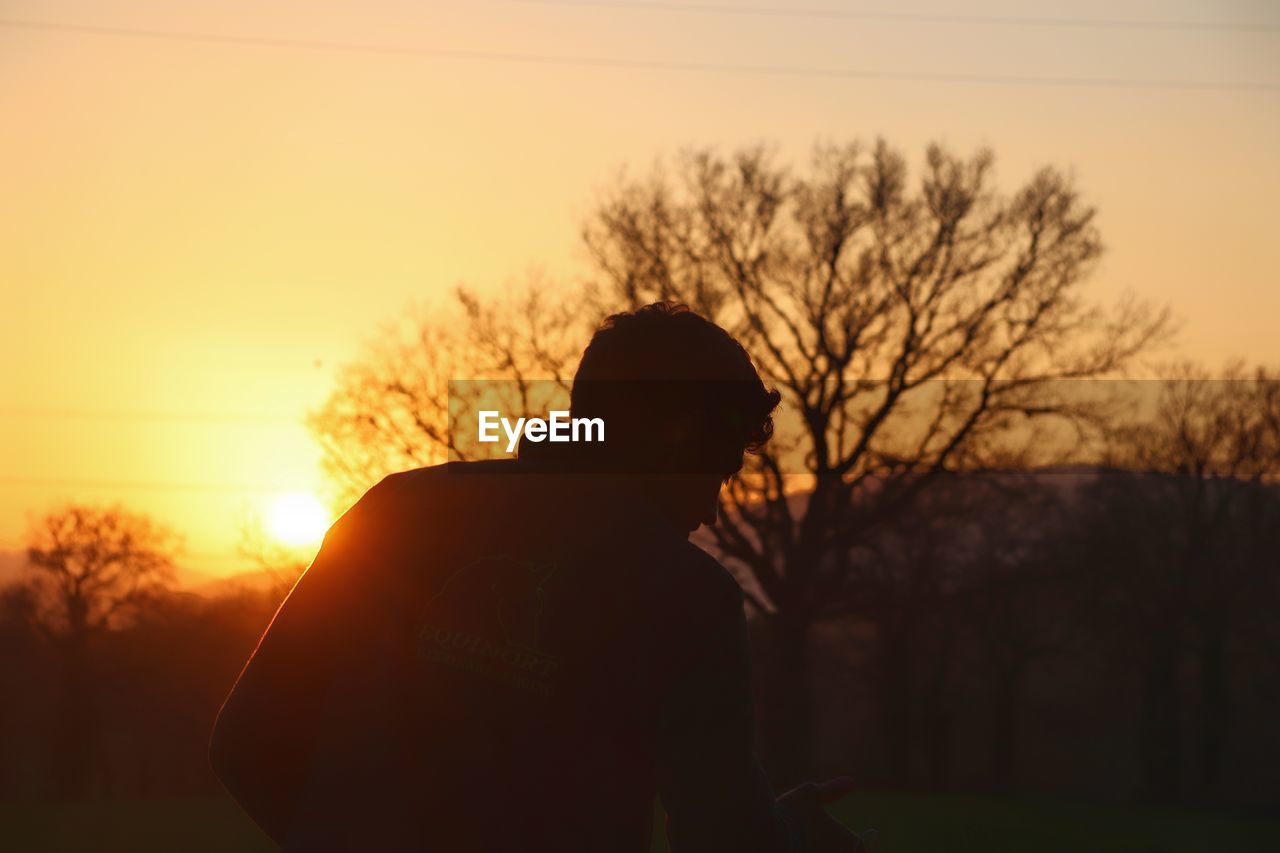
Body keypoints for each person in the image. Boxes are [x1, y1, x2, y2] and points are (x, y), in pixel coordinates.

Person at [210, 302, 867, 851]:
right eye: (717, 469)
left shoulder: (396, 509)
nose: (711, 510)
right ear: (676, 433)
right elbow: (721, 834)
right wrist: (788, 829)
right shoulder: (687, 593)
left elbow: (244, 742)